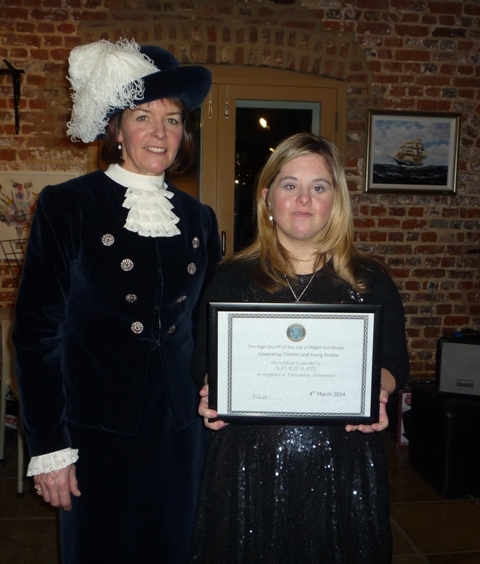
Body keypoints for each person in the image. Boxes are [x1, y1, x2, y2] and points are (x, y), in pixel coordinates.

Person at [13, 38, 221, 564]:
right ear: (117, 128)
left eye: (172, 120)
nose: (160, 133)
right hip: (94, 431)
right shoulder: (68, 205)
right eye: (143, 116)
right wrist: (50, 446)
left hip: (180, 432)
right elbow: (36, 335)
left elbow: (208, 330)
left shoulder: (199, 218)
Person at [188, 133, 409, 563]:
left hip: (343, 460)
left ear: (335, 200)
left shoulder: (370, 281)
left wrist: (376, 392)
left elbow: (393, 363)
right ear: (267, 198)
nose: (304, 199)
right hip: (247, 462)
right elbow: (203, 361)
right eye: (290, 185)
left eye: (318, 187)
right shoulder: (230, 278)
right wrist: (213, 391)